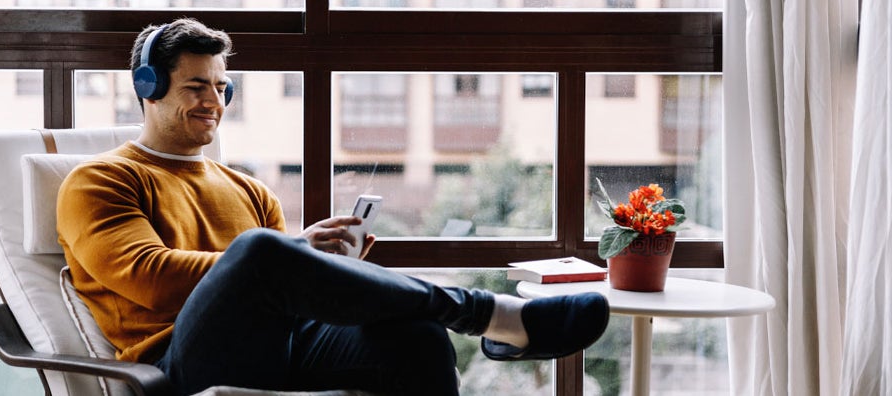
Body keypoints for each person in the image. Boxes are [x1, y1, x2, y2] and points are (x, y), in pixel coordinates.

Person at [57, 18, 610, 396]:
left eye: (223, 87)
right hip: (178, 365)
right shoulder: (101, 179)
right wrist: (289, 253)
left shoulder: (251, 190)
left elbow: (286, 300)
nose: (213, 102)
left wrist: (335, 266)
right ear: (148, 86)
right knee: (259, 252)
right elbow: (150, 279)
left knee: (417, 338)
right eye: (196, 86)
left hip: (284, 347)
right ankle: (489, 314)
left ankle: (479, 321)